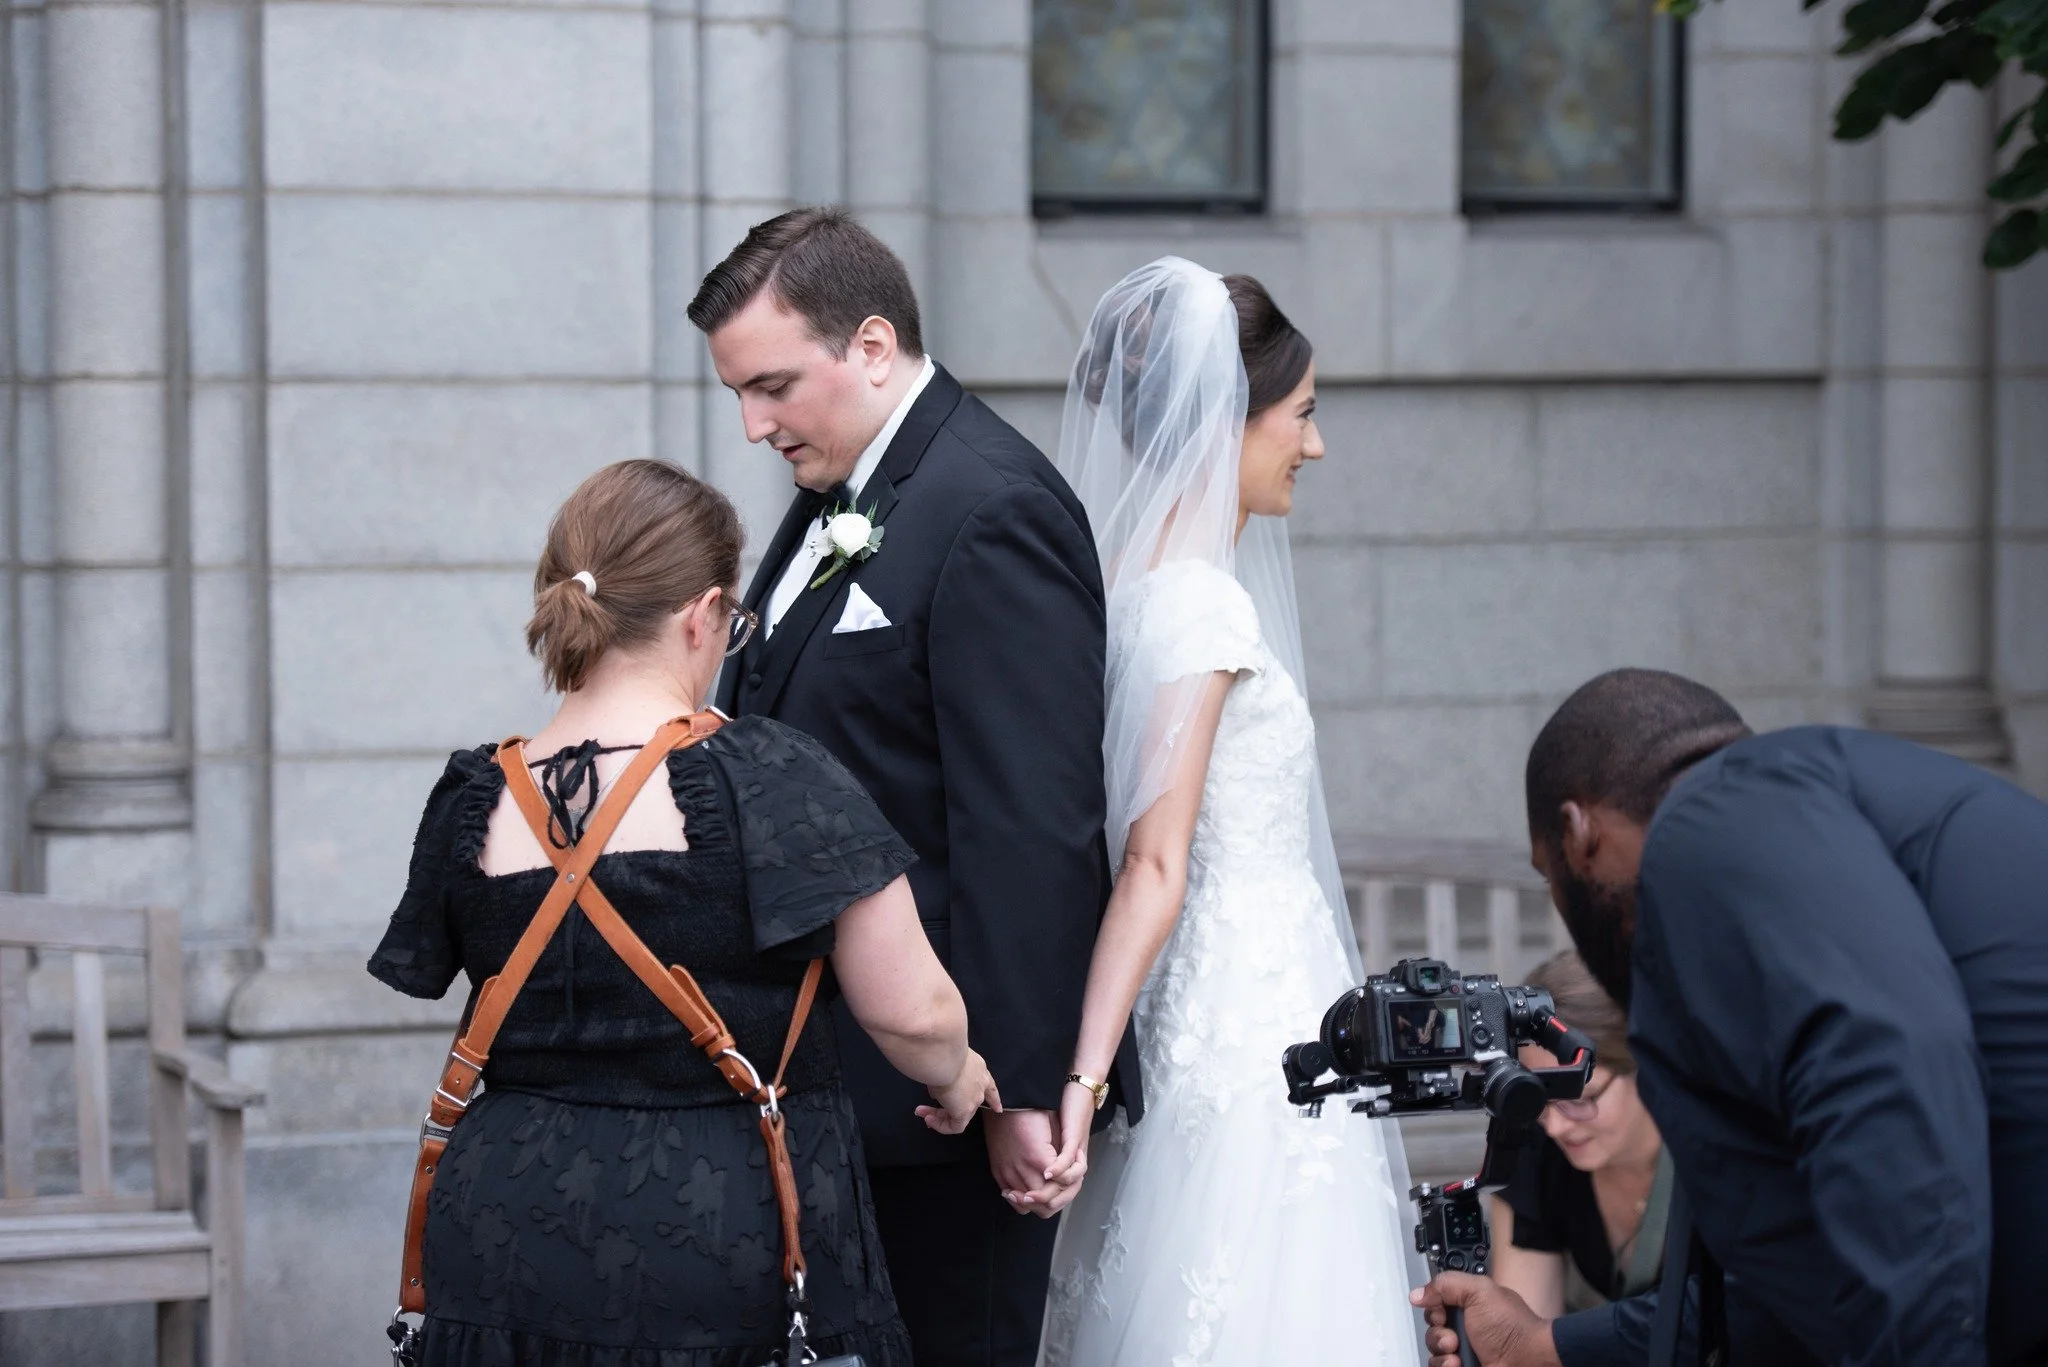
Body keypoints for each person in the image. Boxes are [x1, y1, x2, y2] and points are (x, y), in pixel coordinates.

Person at [367, 459, 999, 1366]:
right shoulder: (771, 777)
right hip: (716, 1238)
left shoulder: (475, 795)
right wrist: (960, 1075)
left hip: (498, 1238)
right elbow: (915, 1013)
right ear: (702, 615)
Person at [690, 207, 1138, 1367]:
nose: (752, 424)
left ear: (873, 346)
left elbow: (1030, 824)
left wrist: (1017, 1089)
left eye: (772, 386)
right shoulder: (844, 489)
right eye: (739, 393)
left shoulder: (992, 506)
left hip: (953, 1107)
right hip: (837, 1084)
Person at [1412, 668, 2048, 1367]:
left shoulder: (1707, 822)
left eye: (1549, 874)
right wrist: (1539, 1344)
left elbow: (1890, 1083)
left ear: (1579, 830)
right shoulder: (1784, 818)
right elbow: (1821, 1278)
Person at [1037, 259, 1422, 1365]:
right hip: (1245, 1030)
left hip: (1222, 1006)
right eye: (1300, 415)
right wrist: (1082, 1079)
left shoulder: (1125, 585)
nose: (1315, 444)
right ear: (1227, 421)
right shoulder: (1200, 606)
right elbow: (1151, 863)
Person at [1492, 951, 1668, 1318]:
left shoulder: (1720, 1149)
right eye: (1539, 1097)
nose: (1555, 1127)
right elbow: (1521, 1334)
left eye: (1581, 1099)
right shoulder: (1532, 1140)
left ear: (1646, 1065)